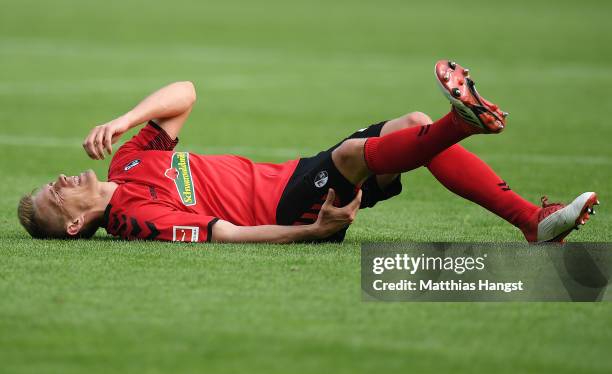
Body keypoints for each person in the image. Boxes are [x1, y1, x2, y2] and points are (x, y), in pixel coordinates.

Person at [17, 60, 599, 244]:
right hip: (289, 208)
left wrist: (123, 120)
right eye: (54, 192)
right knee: (352, 155)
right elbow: (225, 234)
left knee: (412, 127)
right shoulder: (132, 219)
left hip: (295, 174)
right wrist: (315, 234)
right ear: (73, 224)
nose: (62, 178)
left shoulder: (127, 163)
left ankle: (530, 220)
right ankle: (462, 123)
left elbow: (185, 94)